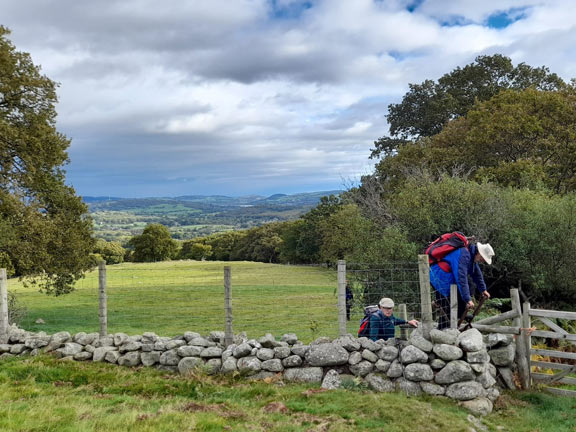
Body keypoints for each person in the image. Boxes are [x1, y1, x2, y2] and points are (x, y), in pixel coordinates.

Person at [429, 241, 495, 330]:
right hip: (440, 276)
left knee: (469, 288)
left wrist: (483, 289)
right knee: (448, 304)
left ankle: (453, 320)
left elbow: (476, 274)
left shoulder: (471, 256)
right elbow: (461, 278)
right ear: (479, 253)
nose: (482, 261)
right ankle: (442, 331)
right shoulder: (464, 255)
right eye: (483, 258)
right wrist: (468, 299)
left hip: (447, 276)